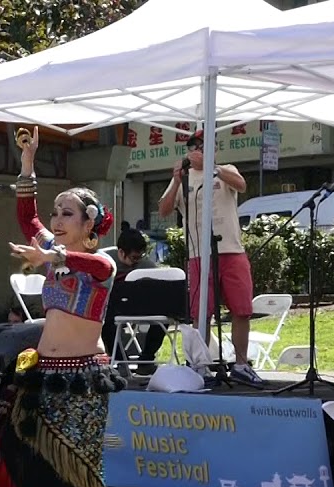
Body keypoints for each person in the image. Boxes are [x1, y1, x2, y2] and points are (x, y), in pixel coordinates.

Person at [0, 126, 128, 487]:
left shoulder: (100, 262)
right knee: (40, 461)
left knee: (76, 464)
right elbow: (27, 216)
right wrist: (28, 162)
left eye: (69, 214)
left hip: (83, 376)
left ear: (91, 225)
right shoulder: (54, 252)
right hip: (44, 372)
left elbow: (94, 265)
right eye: (56, 213)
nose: (57, 220)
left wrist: (50, 258)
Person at [158, 131, 262, 385]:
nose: (201, 151)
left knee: (242, 309)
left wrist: (212, 168)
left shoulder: (224, 169)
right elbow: (163, 210)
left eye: (207, 147)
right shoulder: (184, 179)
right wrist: (175, 179)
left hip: (231, 250)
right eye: (196, 147)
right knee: (201, 313)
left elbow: (241, 184)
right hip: (198, 254)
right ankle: (200, 364)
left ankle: (240, 364)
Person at [101, 227, 165, 375]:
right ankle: (117, 360)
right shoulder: (105, 260)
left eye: (140, 257)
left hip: (139, 306)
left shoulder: (146, 265)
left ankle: (147, 358)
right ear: (121, 252)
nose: (137, 262)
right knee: (105, 316)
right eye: (134, 258)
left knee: (165, 313)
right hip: (112, 306)